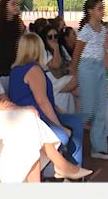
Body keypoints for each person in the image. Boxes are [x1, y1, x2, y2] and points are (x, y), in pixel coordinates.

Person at [0, 31, 91, 182]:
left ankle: (56, 169)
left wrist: (11, 106)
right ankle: (61, 164)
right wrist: (14, 109)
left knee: (30, 122)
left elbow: (2, 94)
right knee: (29, 116)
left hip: (2, 111)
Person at [8, 32, 86, 167]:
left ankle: (73, 167)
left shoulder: (16, 69)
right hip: (38, 119)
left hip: (35, 115)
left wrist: (57, 109)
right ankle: (69, 169)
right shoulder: (34, 70)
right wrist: (59, 126)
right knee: (64, 135)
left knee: (76, 120)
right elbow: (42, 102)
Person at [73, 0, 108, 160]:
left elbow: (102, 50)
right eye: (98, 8)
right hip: (87, 67)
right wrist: (74, 73)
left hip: (99, 67)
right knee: (88, 109)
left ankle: (99, 148)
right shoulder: (85, 31)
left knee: (101, 108)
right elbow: (77, 54)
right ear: (90, 11)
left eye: (102, 8)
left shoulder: (102, 30)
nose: (101, 11)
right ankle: (72, 139)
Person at [0, 0, 25, 77]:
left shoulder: (19, 23)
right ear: (5, 6)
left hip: (13, 60)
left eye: (18, 4)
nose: (16, 7)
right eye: (13, 4)